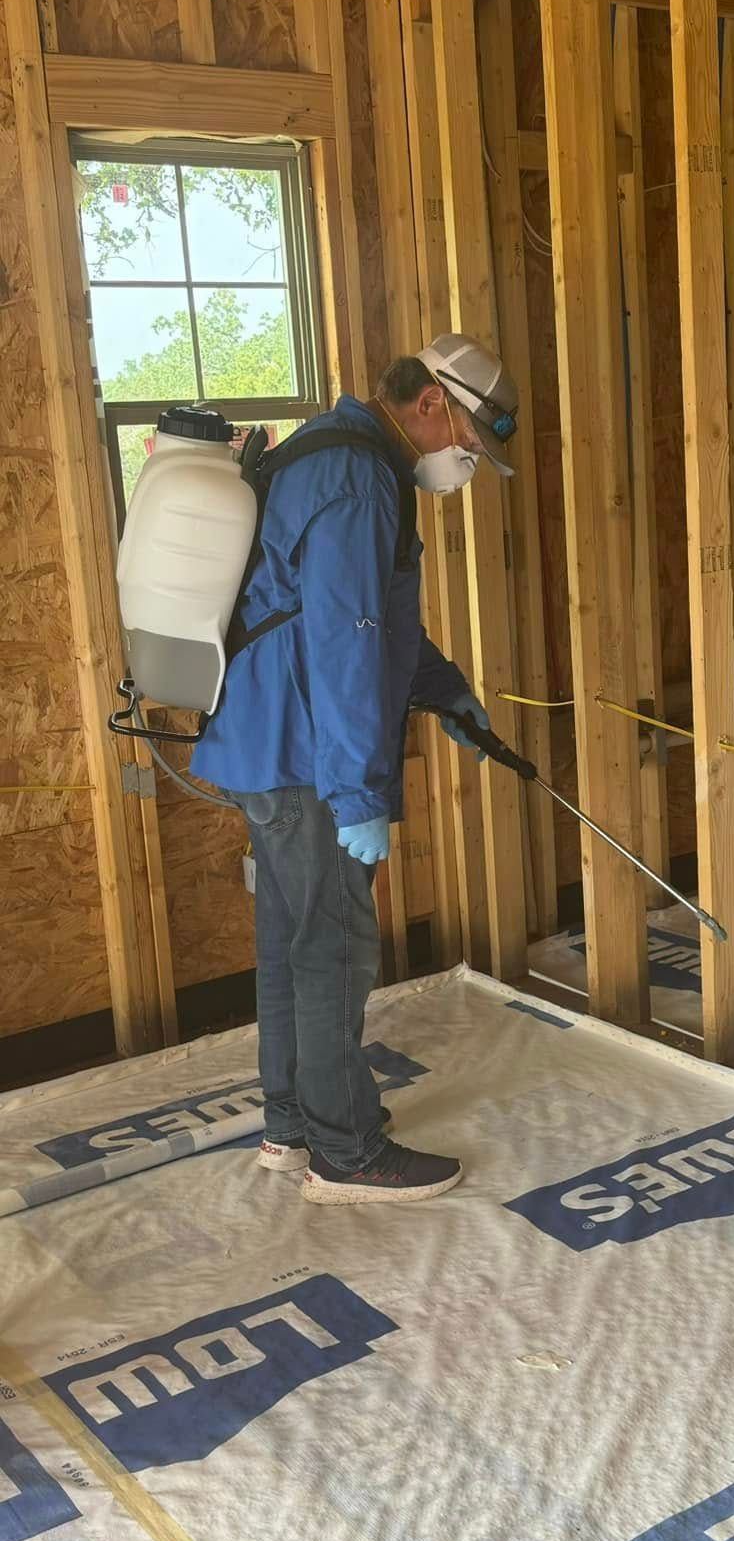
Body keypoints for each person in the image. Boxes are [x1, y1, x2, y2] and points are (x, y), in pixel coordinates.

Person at [191, 335, 519, 1207]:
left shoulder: (336, 454)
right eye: (470, 445)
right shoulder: (360, 479)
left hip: (265, 742)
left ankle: (290, 1127)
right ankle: (344, 1151)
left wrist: (444, 691)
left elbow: (352, 618)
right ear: (432, 406)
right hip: (305, 756)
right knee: (333, 945)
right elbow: (344, 645)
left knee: (291, 941)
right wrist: (357, 795)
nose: (466, 465)